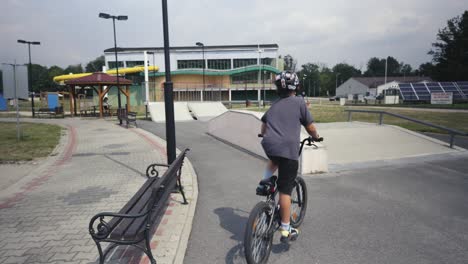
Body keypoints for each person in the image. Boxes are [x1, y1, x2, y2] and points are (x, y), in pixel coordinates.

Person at [258, 71, 320, 243]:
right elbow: (310, 127)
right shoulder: (299, 102)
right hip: (289, 149)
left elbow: (263, 125)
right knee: (285, 192)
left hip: (269, 145)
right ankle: (286, 229)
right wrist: (315, 137)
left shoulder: (274, 104)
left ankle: (265, 182)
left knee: (274, 159)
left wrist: (264, 135)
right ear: (296, 86)